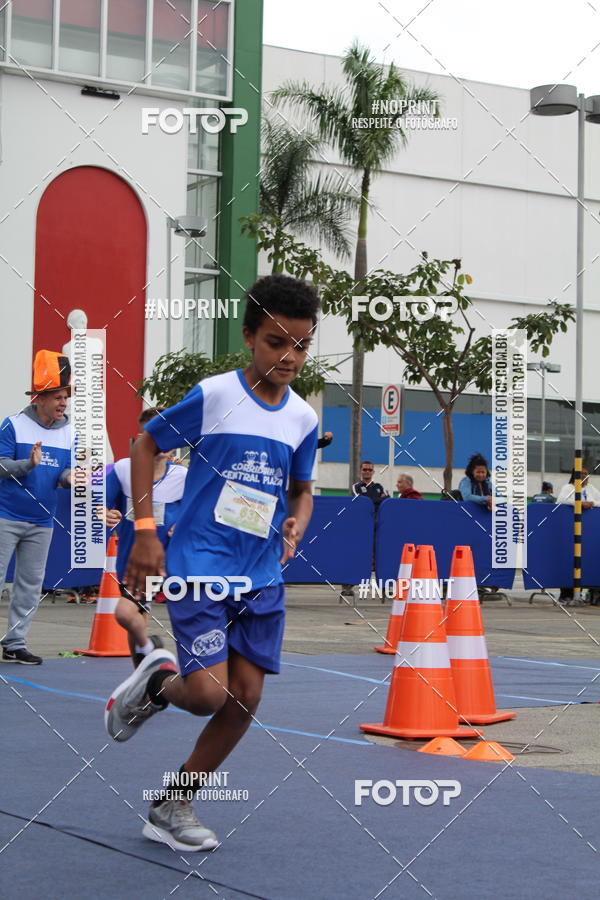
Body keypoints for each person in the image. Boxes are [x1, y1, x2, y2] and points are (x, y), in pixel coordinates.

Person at [104, 273, 319, 852]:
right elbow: (144, 444)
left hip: (262, 574)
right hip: (201, 563)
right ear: (250, 337)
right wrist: (146, 530)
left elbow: (301, 487)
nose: (289, 356)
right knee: (206, 696)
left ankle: (173, 803)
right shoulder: (217, 395)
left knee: (246, 698)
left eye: (301, 345)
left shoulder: (302, 418)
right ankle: (158, 684)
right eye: (277, 342)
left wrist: (299, 518)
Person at [0, 350, 73, 665]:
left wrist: (72, 478)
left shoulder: (70, 431)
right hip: (5, 516)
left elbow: (64, 474)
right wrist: (27, 464)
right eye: (57, 397)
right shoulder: (13, 425)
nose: (62, 403)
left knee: (30, 585)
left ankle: (15, 643)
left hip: (43, 520)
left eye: (65, 397)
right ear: (39, 399)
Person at [103, 407, 188, 668]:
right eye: (156, 434)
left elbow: (197, 514)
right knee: (135, 617)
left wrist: (181, 527)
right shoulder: (123, 470)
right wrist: (105, 514)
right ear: (143, 437)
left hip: (170, 563)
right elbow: (102, 506)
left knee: (126, 613)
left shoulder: (184, 477)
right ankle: (143, 667)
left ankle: (151, 649)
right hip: (134, 561)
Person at [557, 468, 600, 604]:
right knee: (569, 561)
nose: (583, 476)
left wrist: (592, 503)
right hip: (570, 531)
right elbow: (561, 500)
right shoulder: (568, 487)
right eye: (580, 474)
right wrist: (579, 504)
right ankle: (566, 595)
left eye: (585, 474)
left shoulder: (592, 489)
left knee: (585, 561)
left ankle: (581, 593)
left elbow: (598, 501)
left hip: (589, 531)